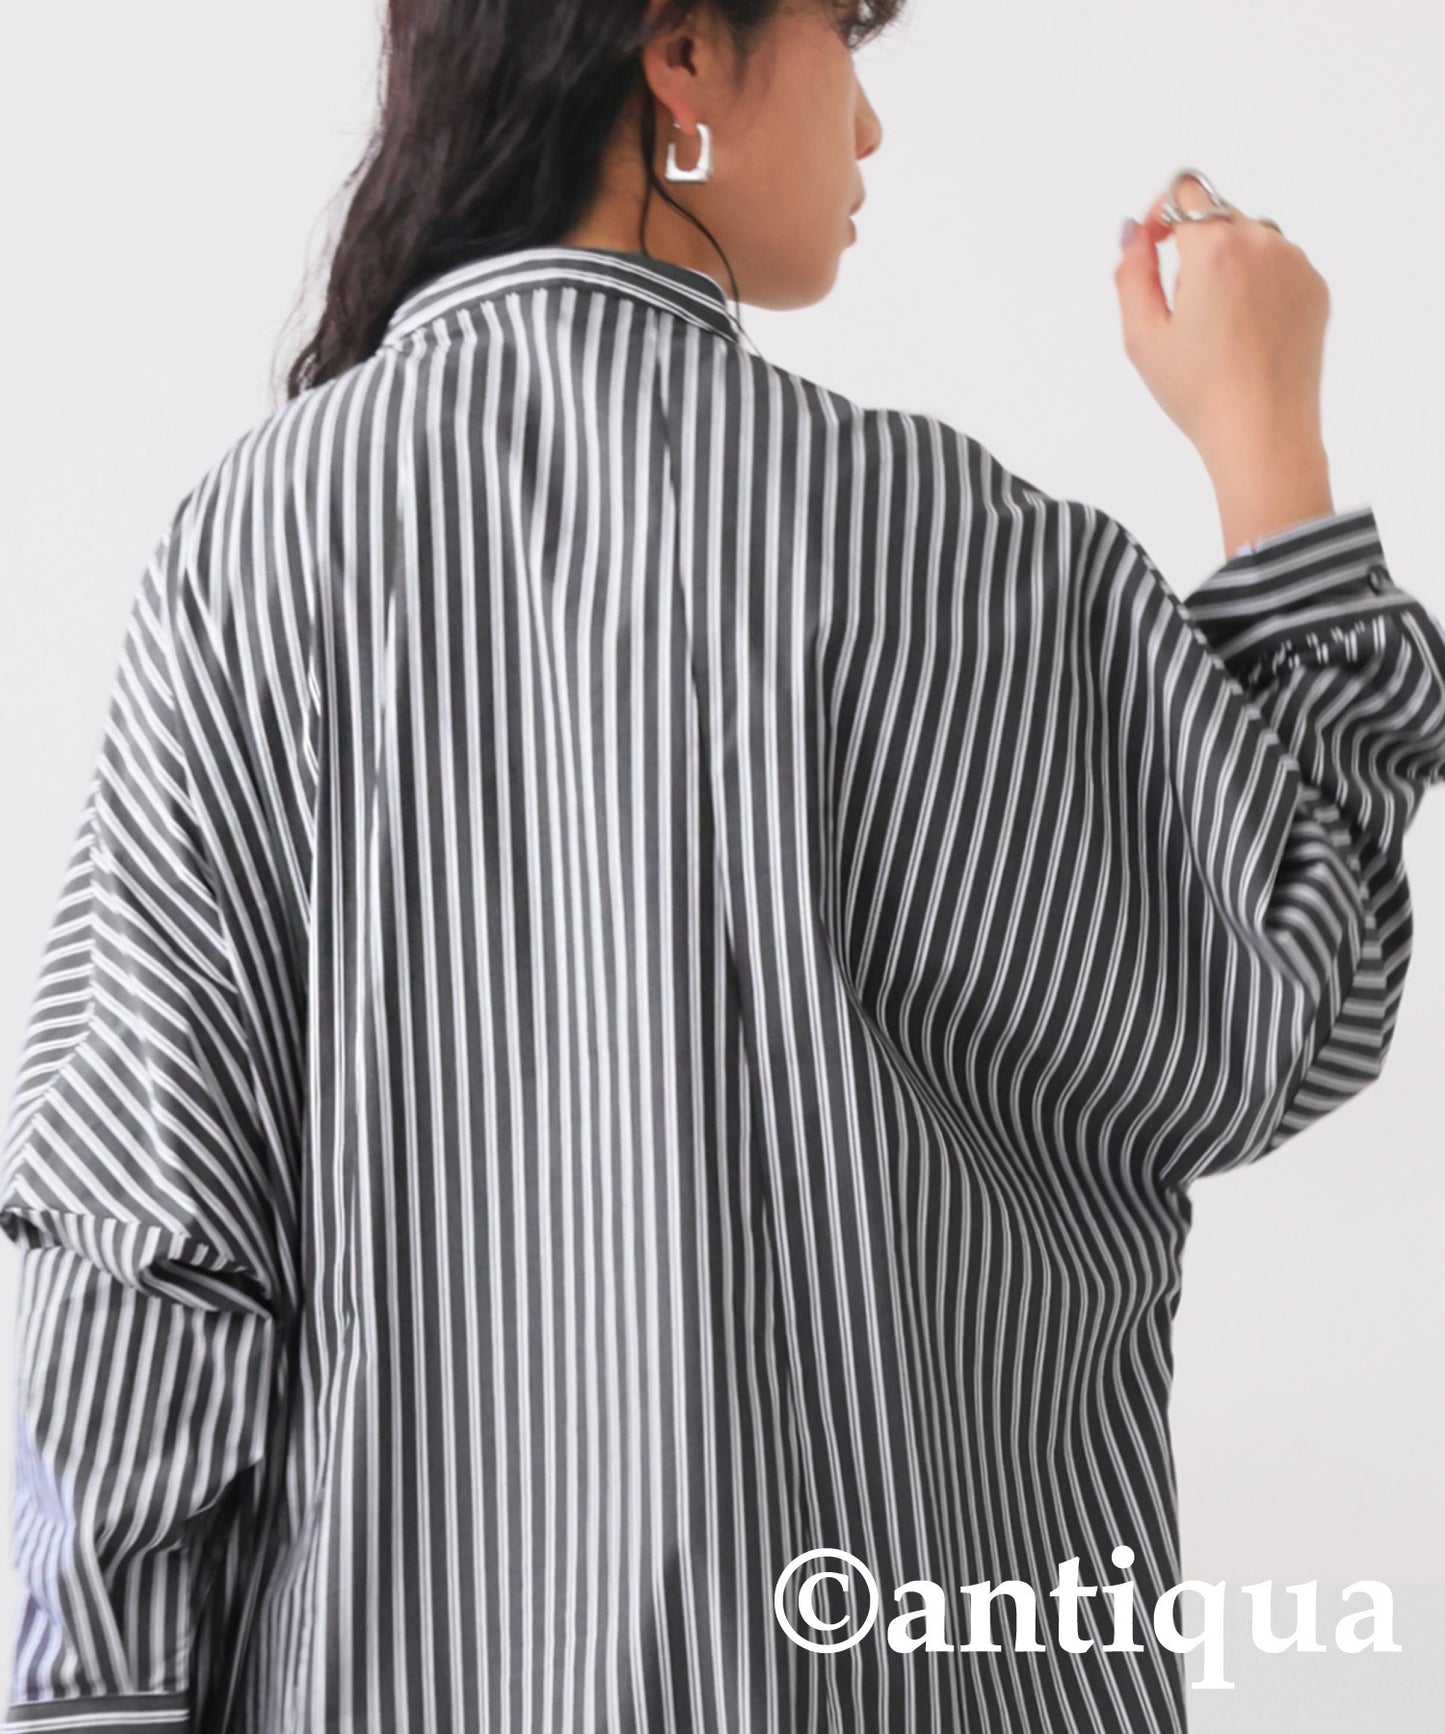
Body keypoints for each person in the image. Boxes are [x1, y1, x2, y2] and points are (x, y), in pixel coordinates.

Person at [1, 1, 1440, 1730]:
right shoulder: (956, 557)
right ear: (681, 53)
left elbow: (144, 1230)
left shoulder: (265, 539)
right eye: (844, 34)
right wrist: (1266, 437)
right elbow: (1287, 988)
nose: (869, 129)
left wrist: (91, 1693)